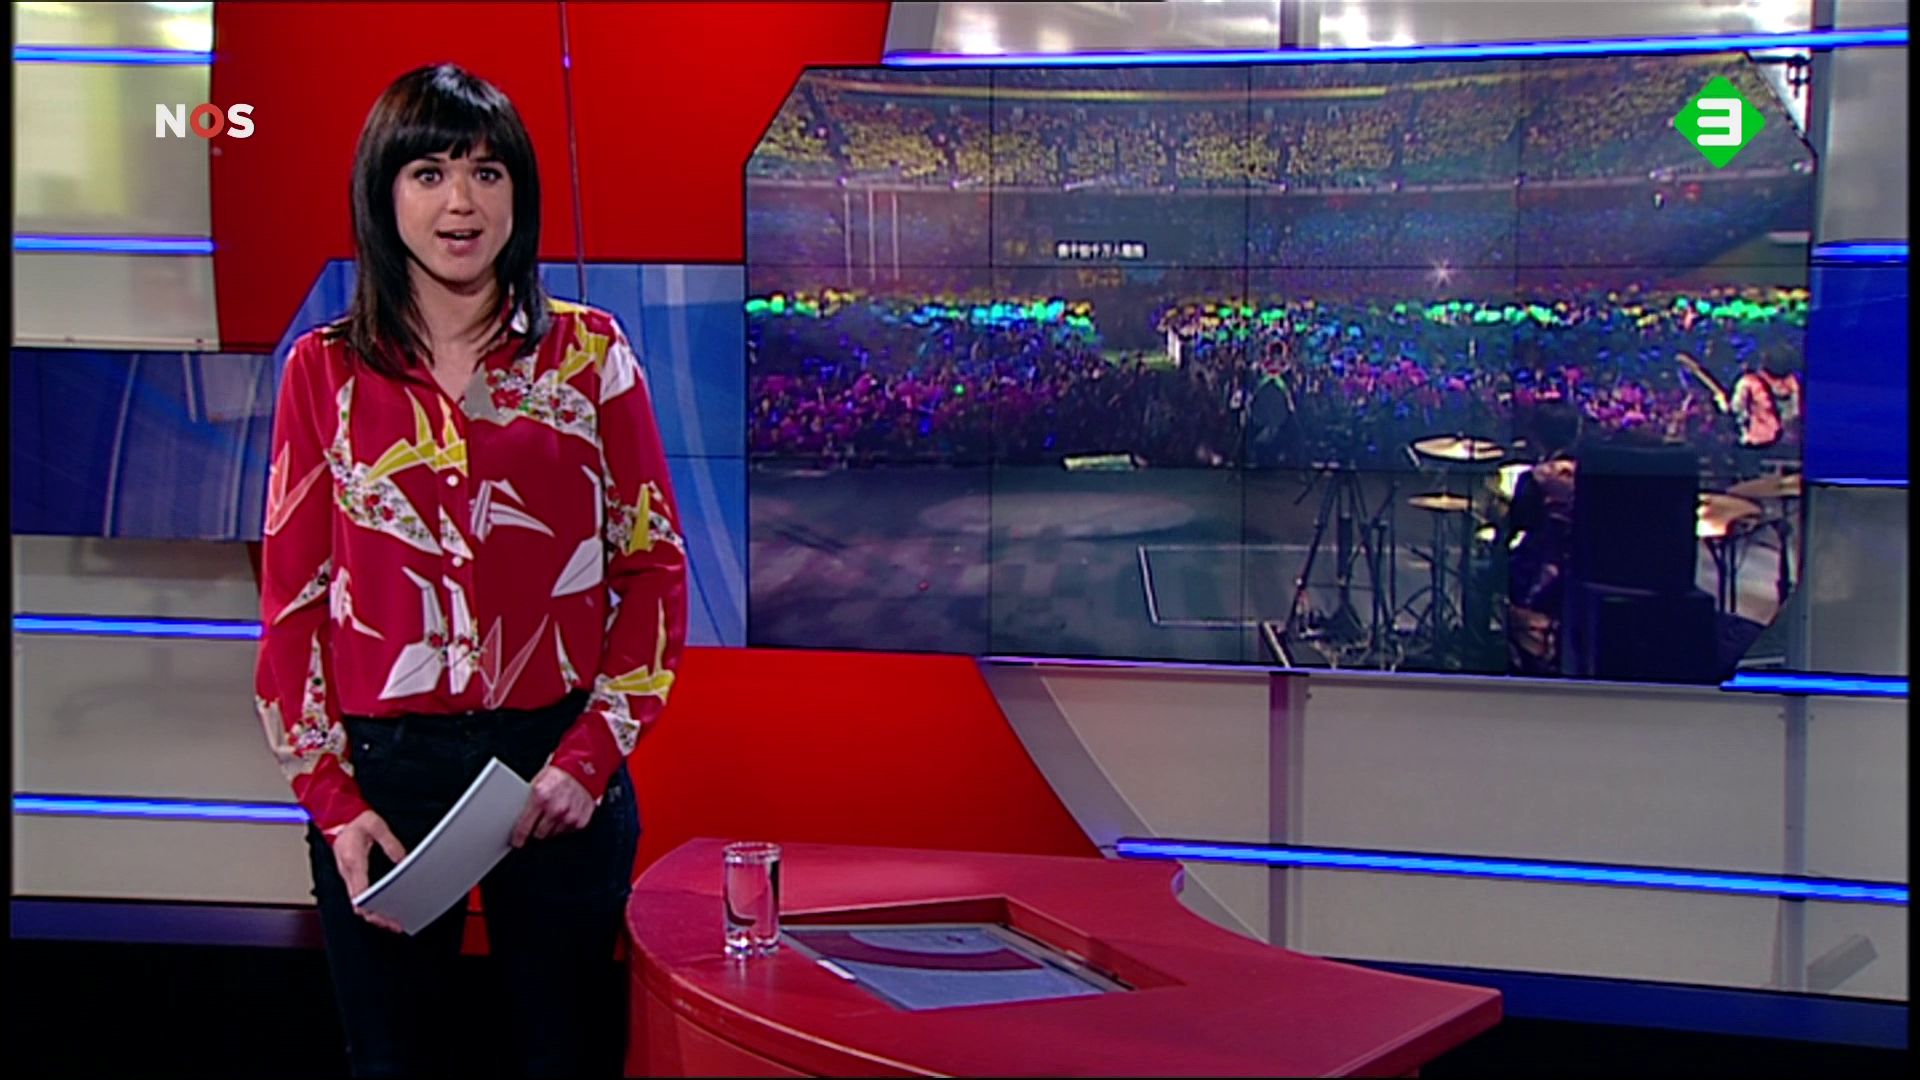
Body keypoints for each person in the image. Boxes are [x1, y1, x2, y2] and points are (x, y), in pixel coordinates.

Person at [253, 64, 687, 1078]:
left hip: (554, 769)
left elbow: (654, 572)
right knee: (393, 1061)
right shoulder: (324, 371)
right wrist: (332, 800)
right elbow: (293, 608)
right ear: (384, 193)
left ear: (519, 194)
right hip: (386, 779)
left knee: (563, 1056)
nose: (462, 202)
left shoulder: (590, 356)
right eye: (431, 172)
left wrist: (589, 759)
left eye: (488, 173)